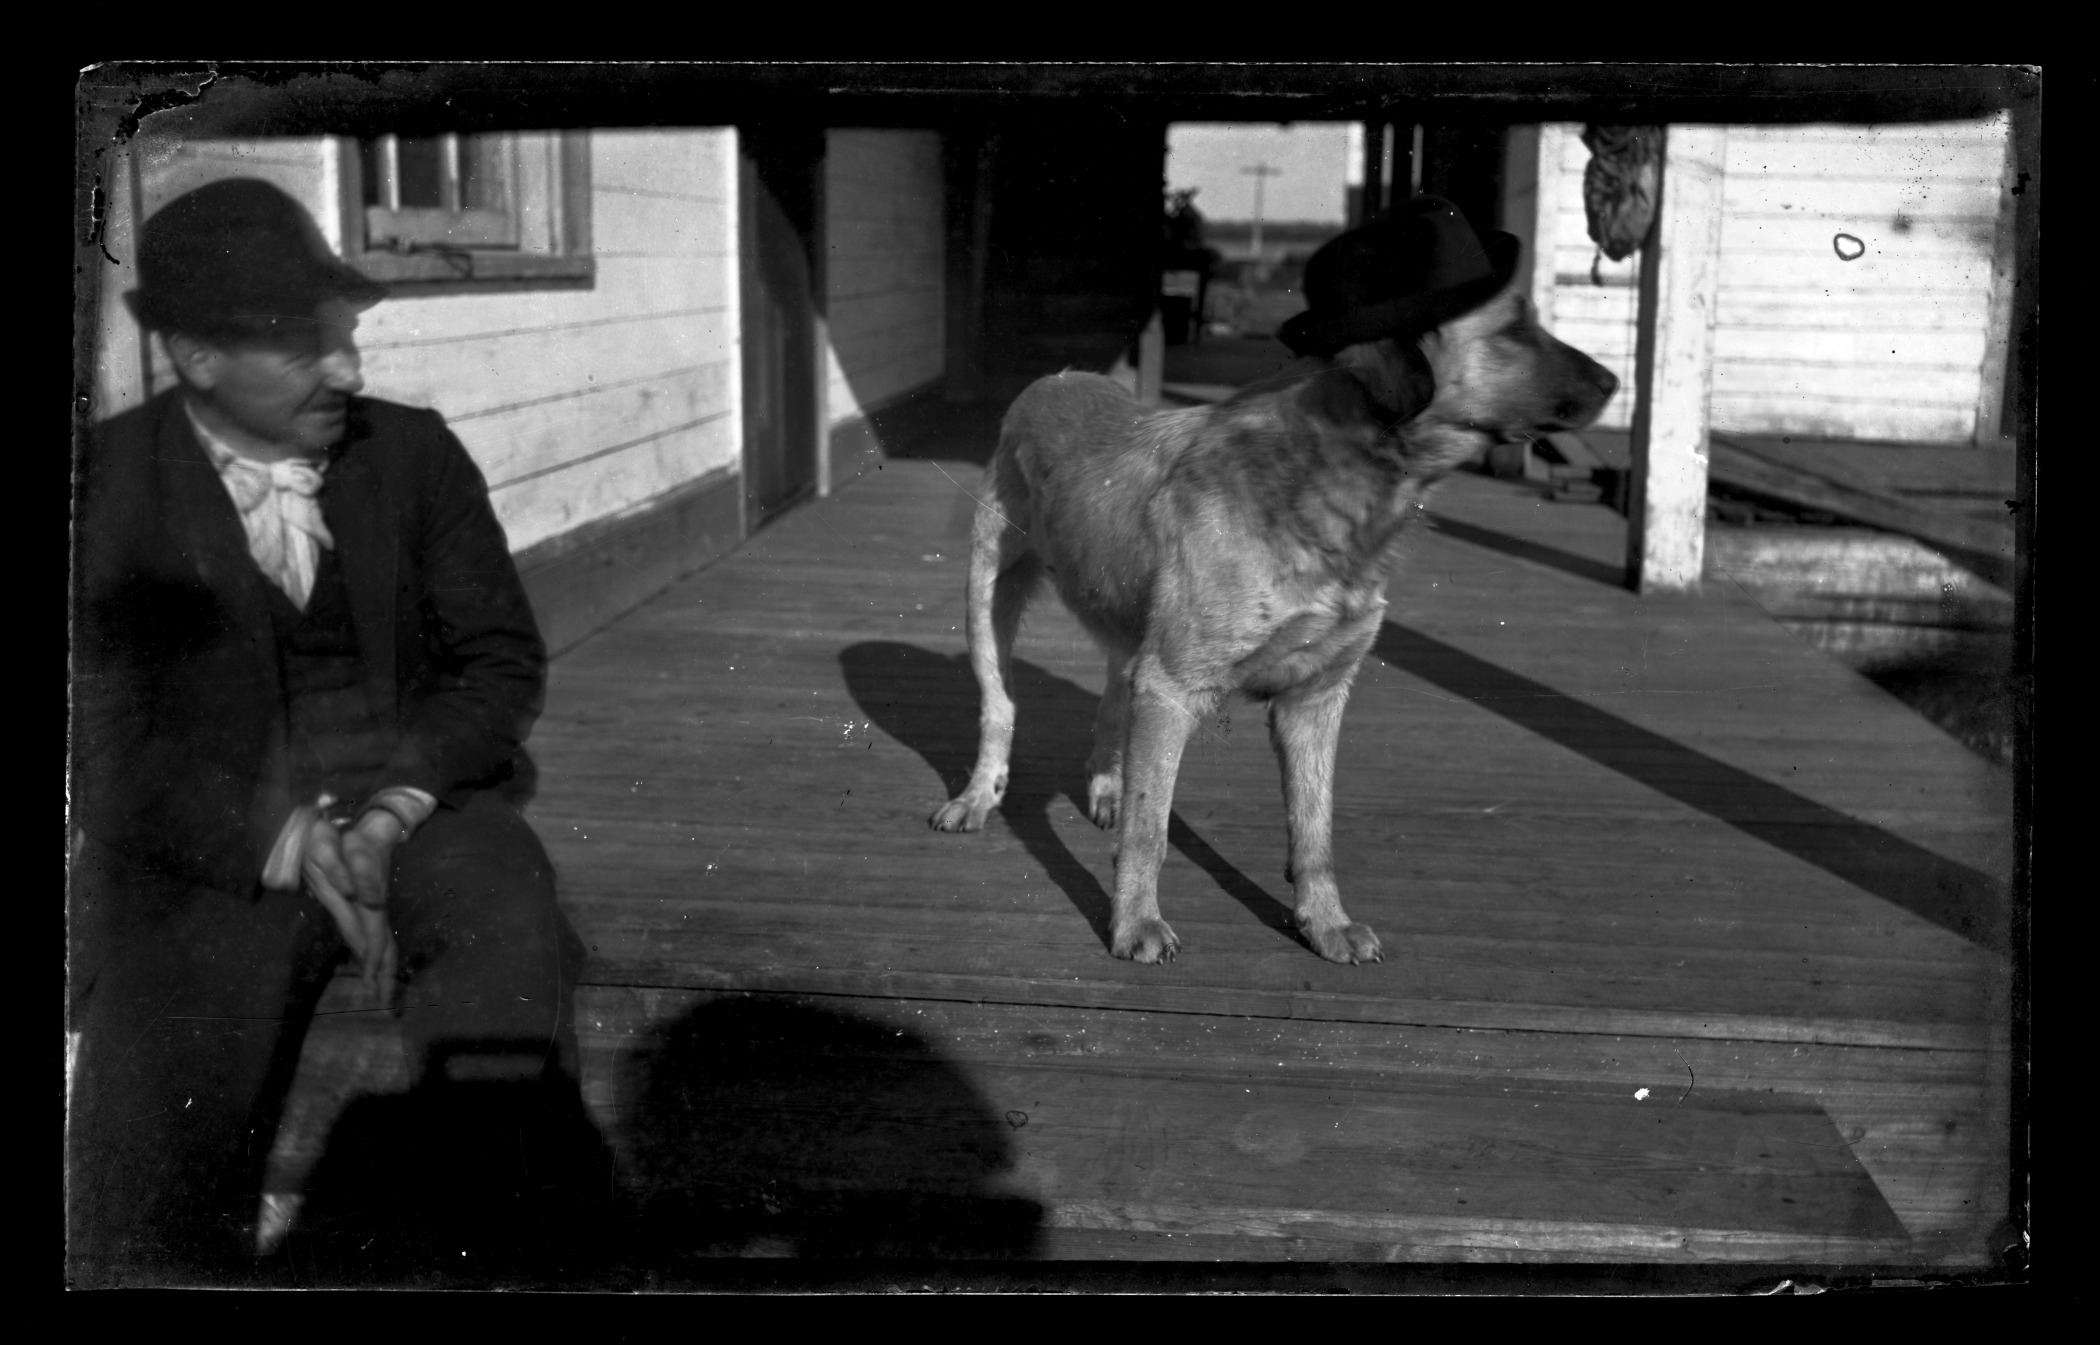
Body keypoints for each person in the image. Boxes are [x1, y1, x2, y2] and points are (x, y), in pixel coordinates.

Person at [68, 177, 586, 1281]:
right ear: (198, 357)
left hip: (422, 803)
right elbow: (108, 751)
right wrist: (297, 844)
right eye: (308, 350)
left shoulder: (412, 453)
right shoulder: (104, 491)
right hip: (221, 841)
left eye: (347, 339)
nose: (347, 373)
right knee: (160, 1063)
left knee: (506, 927)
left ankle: (489, 1261)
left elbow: (498, 663)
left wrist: (394, 812)